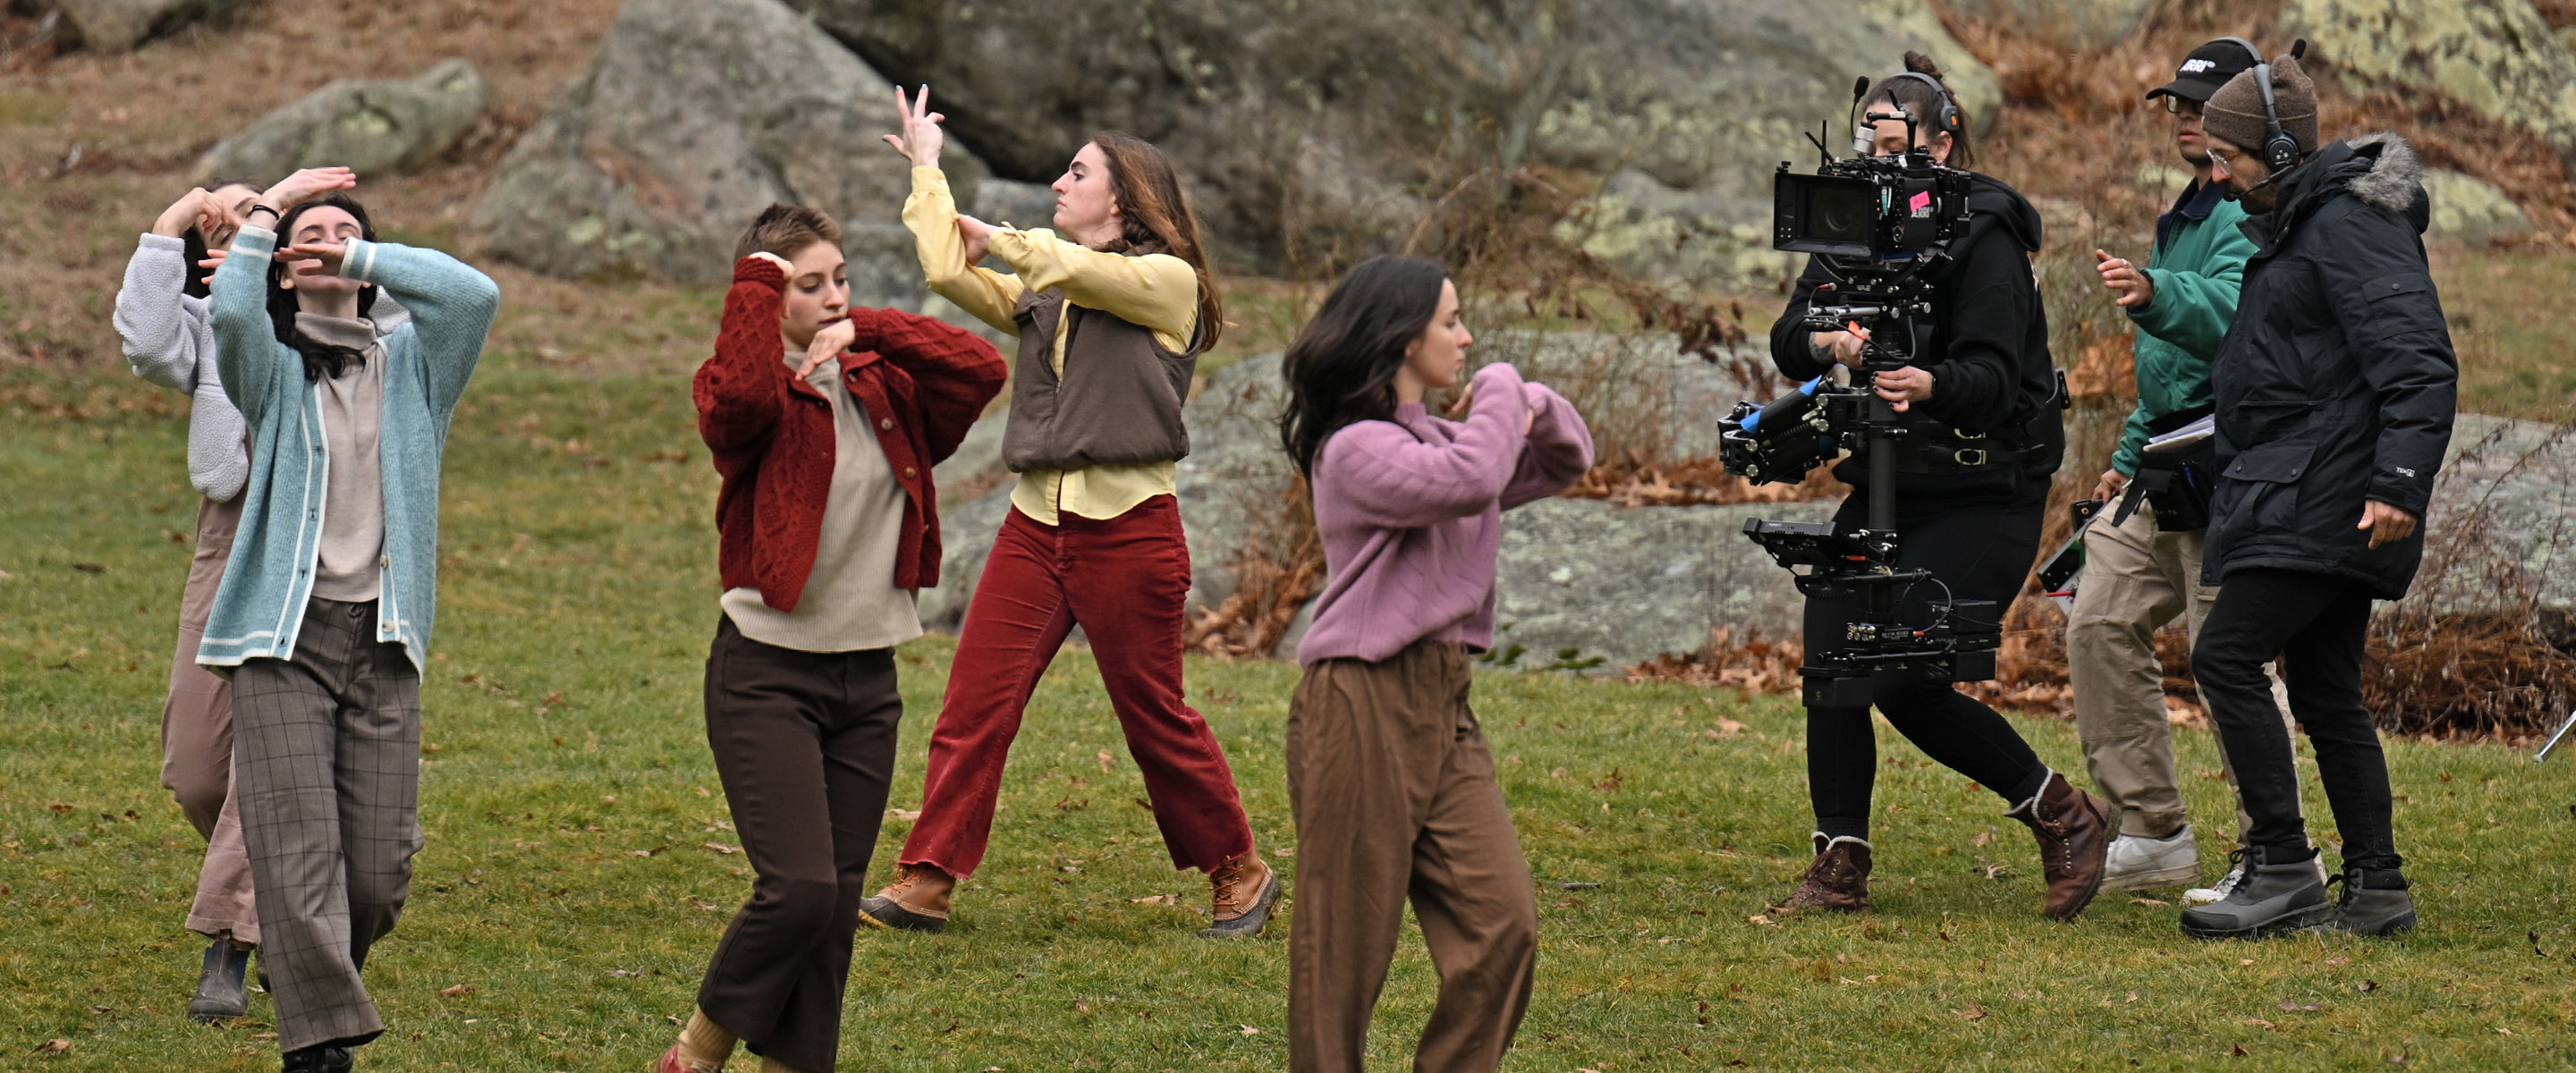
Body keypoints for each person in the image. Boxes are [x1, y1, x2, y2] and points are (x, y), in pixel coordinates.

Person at [859, 87, 1278, 938]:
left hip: (1129, 533)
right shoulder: (1045, 292)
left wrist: (1004, 239)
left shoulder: (1169, 285)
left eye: (1076, 172)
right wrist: (930, 176)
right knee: (975, 704)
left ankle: (1238, 868)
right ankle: (927, 878)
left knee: (1152, 715)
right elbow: (948, 271)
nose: (1058, 180)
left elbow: (1078, 268)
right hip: (1031, 528)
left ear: (1121, 198)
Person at [656, 206, 1005, 1073]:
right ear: (766, 301)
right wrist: (757, 281)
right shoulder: (750, 394)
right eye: (808, 286)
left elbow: (983, 367)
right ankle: (696, 1054)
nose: (832, 296)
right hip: (765, 675)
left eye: (839, 279)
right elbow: (736, 396)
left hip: (867, 683)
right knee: (800, 890)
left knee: (836, 905)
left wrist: (864, 326)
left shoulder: (887, 388)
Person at [1767, 54, 2110, 922]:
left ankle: (2063, 815)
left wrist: (1928, 383)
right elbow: (1788, 334)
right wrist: (1831, 347)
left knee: (1905, 673)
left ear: (1945, 143)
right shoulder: (1850, 218)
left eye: (1897, 143)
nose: (1880, 163)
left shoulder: (1982, 232)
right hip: (1891, 473)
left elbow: (1996, 376)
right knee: (1834, 650)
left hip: (1986, 483)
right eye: (1867, 143)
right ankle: (1839, 858)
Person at [201, 168, 500, 1072]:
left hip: (384, 639)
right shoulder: (272, 370)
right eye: (313, 233)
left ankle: (311, 977)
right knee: (294, 848)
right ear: (288, 268)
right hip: (279, 641)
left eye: (346, 232)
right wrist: (268, 209)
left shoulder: (416, 365)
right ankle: (320, 1046)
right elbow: (231, 317)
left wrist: (359, 248)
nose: (329, 238)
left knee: (374, 875)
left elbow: (474, 294)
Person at [1275, 256, 1591, 1072]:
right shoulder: (1355, 452)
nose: (1467, 335)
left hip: (1445, 703)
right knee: (1342, 947)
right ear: (1399, 336)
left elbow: (1565, 460)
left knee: (1503, 921)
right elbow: (1473, 476)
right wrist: (1503, 388)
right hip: (1361, 697)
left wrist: (1526, 402)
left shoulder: (1446, 441)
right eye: (1451, 321)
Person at [2176, 53, 2455, 940]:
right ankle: (2377, 890)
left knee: (2225, 655)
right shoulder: (2307, 221)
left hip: (2331, 493)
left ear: (2284, 149)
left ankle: (2285, 864)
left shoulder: (2348, 225)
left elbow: (2417, 360)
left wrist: (2400, 483)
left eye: (2228, 157)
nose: (2216, 176)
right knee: (2329, 690)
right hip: (2307, 484)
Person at [2072, 38, 2313, 903]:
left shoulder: (2255, 212)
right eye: (2176, 105)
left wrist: (2155, 294)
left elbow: (2234, 314)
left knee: (2230, 660)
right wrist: (2124, 459)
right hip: (2166, 465)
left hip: (2230, 466)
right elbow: (2168, 374)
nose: (2182, 118)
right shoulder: (2184, 211)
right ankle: (2153, 830)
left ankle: (2277, 850)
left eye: (2200, 106)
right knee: (2098, 620)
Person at [118, 178, 267, 1020]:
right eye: (218, 225)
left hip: (319, 536)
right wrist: (172, 221)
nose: (228, 229)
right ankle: (292, 883)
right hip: (228, 531)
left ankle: (233, 940)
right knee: (196, 768)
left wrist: (265, 215)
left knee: (266, 763)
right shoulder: (209, 328)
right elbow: (145, 341)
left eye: (250, 221)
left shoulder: (337, 312)